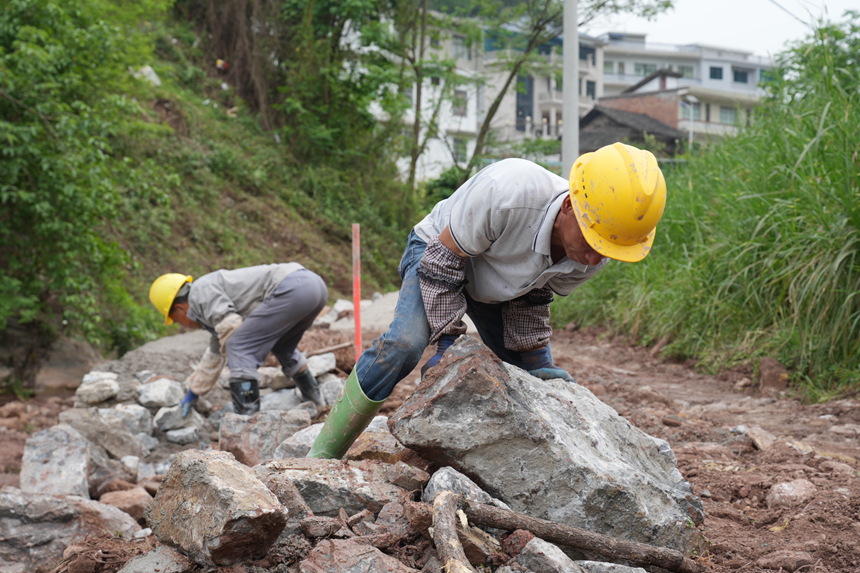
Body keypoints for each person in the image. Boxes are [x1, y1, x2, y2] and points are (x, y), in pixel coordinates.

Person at [308, 142, 667, 459]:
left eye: (606, 250)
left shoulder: (598, 250)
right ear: (571, 205)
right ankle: (324, 452)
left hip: (500, 288)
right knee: (405, 344)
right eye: (591, 242)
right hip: (438, 252)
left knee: (530, 384)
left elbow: (534, 294)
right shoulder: (508, 192)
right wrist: (447, 345)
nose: (593, 258)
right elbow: (443, 262)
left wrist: (535, 360)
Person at [148, 263, 328, 417]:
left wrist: (237, 358)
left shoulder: (200, 293)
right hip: (313, 287)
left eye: (177, 320)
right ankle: (317, 404)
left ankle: (247, 423)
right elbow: (214, 354)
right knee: (283, 347)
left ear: (180, 308)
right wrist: (193, 393)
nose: (183, 326)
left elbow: (231, 329)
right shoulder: (209, 305)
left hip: (293, 288)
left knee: (237, 344)